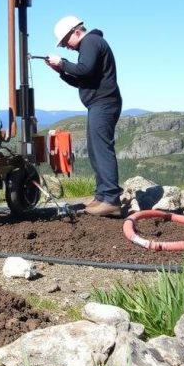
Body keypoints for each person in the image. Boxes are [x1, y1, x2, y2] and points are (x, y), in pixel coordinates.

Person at [46, 16, 123, 217]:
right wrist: (61, 71)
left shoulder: (91, 42)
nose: (66, 47)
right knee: (95, 150)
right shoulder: (90, 45)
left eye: (65, 42)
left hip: (103, 104)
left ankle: (111, 200)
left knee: (102, 149)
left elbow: (84, 69)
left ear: (75, 32)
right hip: (99, 104)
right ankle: (102, 195)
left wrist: (62, 64)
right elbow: (83, 79)